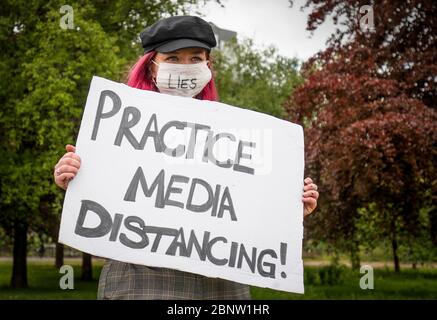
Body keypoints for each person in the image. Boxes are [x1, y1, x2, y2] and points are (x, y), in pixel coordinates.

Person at [53, 16, 319, 300]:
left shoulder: (234, 133)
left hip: (219, 286)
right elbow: (103, 194)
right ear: (152, 66)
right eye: (173, 58)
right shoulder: (117, 127)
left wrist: (287, 211)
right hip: (141, 283)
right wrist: (72, 176)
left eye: (195, 58)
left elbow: (246, 205)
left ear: (208, 66)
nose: (185, 67)